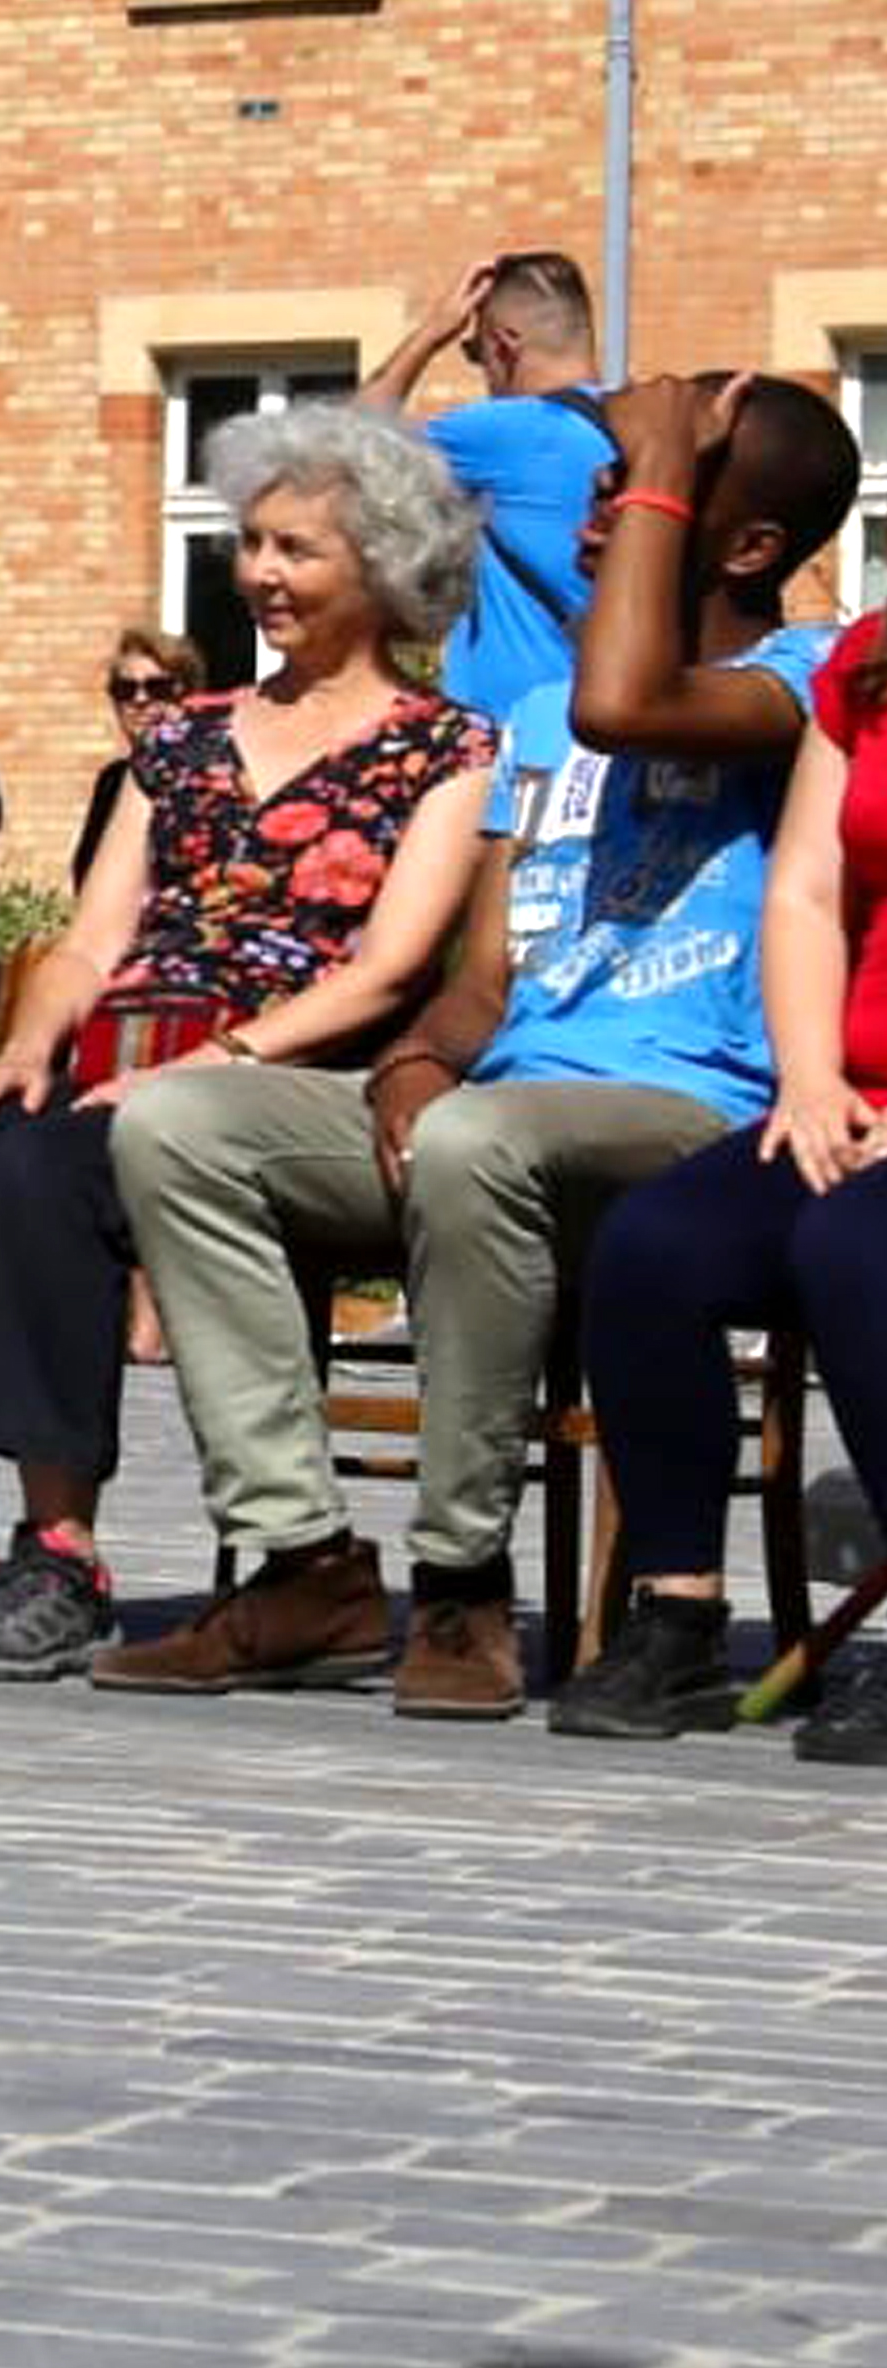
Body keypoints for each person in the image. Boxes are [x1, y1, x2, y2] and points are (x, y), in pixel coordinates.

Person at [110, 370, 855, 1711]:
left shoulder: (798, 682)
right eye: (603, 494)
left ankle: (460, 1586)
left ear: (744, 545)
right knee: (178, 1122)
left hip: (688, 1111)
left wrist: (661, 468)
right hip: (495, 1113)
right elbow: (484, 974)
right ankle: (302, 1557)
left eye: (635, 499)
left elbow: (626, 703)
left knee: (476, 1145)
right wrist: (414, 1061)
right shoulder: (530, 726)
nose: (595, 519)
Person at [0, 399, 496, 1680]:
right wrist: (28, 1048)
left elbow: (389, 967)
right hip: (114, 1057)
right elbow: (87, 940)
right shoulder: (178, 742)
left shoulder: (446, 748)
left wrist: (218, 1064)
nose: (261, 575)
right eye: (252, 544)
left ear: (386, 568)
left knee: (43, 1174)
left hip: (286, 1077)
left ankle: (60, 1550)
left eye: (297, 550)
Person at [566, 509, 887, 1761]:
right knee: (654, 1248)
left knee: (857, 1253)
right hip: (849, 1101)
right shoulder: (865, 665)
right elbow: (809, 887)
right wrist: (809, 1079)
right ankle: (678, 1615)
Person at [368, 249, 612, 721]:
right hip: (610, 719)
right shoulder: (645, 426)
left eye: (475, 352)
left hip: (515, 731)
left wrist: (434, 330)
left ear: (504, 344)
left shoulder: (507, 429)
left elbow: (344, 446)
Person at [71, 626, 200, 886]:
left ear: (187, 694)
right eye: (125, 689)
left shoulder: (211, 777)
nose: (140, 699)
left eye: (158, 687)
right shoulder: (113, 781)